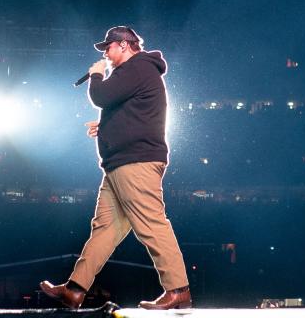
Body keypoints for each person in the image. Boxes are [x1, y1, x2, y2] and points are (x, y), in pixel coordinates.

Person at [40, 26, 191, 310]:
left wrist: (97, 74)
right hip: (120, 165)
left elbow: (101, 97)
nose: (105, 55)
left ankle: (178, 290)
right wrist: (106, 125)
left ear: (123, 45)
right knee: (105, 229)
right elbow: (135, 112)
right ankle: (75, 289)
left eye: (108, 48)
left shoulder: (138, 67)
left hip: (135, 163)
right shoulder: (135, 72)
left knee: (152, 224)